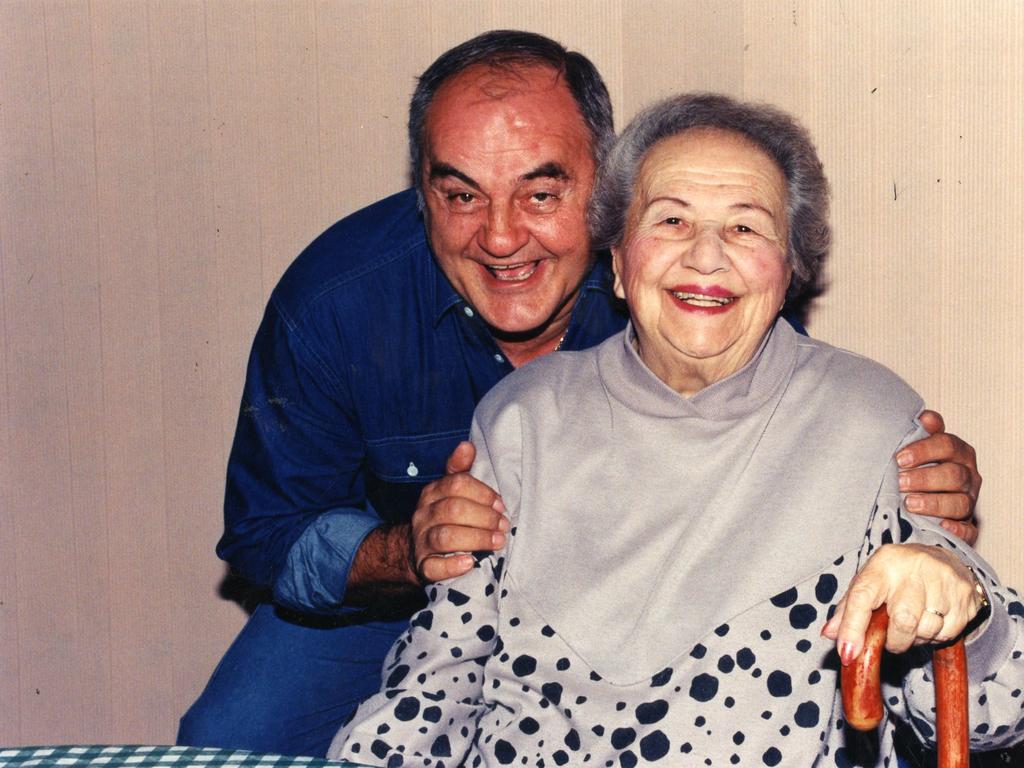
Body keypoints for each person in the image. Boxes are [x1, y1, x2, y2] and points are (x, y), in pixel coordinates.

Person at [177, 31, 982, 758]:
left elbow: (783, 430)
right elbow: (265, 534)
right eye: (460, 194)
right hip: (395, 598)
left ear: (604, 193)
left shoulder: (678, 275)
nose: (499, 236)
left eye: (540, 192)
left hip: (608, 617)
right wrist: (404, 551)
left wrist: (911, 485)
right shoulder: (334, 302)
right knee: (224, 740)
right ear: (422, 188)